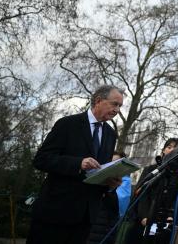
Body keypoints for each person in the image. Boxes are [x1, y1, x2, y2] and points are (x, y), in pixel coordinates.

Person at [27, 84, 124, 244]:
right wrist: (78, 163)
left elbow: (99, 171)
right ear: (99, 100)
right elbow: (41, 159)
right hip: (55, 213)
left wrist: (110, 183)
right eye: (115, 104)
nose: (117, 110)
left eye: (120, 106)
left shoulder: (111, 134)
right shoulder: (68, 124)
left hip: (86, 219)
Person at [130, 137, 178, 242]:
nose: (171, 150)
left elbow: (176, 197)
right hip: (145, 219)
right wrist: (144, 216)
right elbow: (141, 193)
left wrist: (171, 216)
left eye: (175, 148)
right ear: (163, 150)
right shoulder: (151, 170)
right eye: (169, 147)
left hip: (164, 222)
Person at [88, 151, 130, 244]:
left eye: (116, 163)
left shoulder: (125, 180)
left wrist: (110, 189)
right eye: (110, 162)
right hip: (91, 224)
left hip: (106, 226)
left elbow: (119, 205)